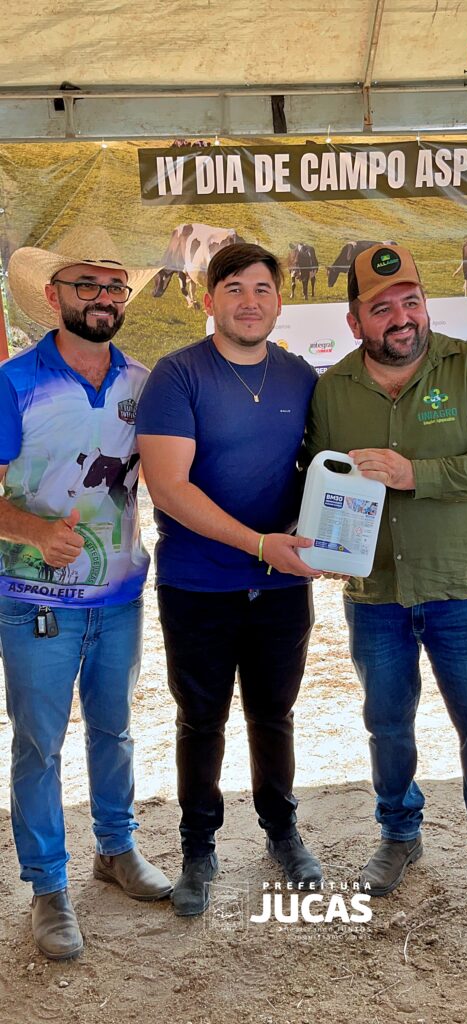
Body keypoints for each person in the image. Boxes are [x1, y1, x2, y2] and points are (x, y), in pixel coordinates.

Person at [305, 243, 467, 938]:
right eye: (382, 308)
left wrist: (416, 474)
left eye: (411, 302)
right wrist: (315, 540)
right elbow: (314, 475)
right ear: (355, 322)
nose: (401, 317)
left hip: (461, 589)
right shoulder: (332, 389)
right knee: (386, 724)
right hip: (374, 593)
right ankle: (399, 834)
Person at [0, 227, 173, 961]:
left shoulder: (144, 382)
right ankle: (48, 886)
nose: (103, 297)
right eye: (86, 285)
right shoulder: (14, 382)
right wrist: (34, 532)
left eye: (114, 286)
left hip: (120, 594)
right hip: (33, 598)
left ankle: (116, 848)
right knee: (40, 744)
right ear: (53, 295)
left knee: (115, 729)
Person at [136, 243, 323, 917]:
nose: (249, 301)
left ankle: (282, 830)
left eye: (262, 289)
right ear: (210, 299)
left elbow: (321, 470)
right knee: (201, 718)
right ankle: (198, 848)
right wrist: (259, 545)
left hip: (282, 586)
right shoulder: (177, 375)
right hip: (197, 584)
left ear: (279, 300)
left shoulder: (301, 377)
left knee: (273, 713)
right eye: (235, 288)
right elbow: (168, 487)